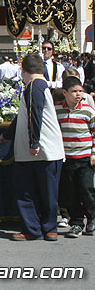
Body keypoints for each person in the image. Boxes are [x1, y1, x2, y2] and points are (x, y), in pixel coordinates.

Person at [1, 54, 64, 242]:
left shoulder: (34, 86)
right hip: (46, 151)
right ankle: (47, 227)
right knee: (47, 192)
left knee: (28, 193)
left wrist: (33, 142)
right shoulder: (39, 85)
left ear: (23, 70)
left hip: (39, 150)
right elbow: (23, 116)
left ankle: (35, 228)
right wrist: (9, 134)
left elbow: (34, 114)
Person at [55, 77, 95, 238]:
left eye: (80, 92)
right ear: (65, 93)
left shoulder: (88, 111)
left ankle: (91, 217)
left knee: (86, 189)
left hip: (85, 158)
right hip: (67, 158)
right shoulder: (58, 110)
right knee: (70, 192)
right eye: (74, 92)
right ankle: (77, 222)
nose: (78, 95)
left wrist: (93, 154)